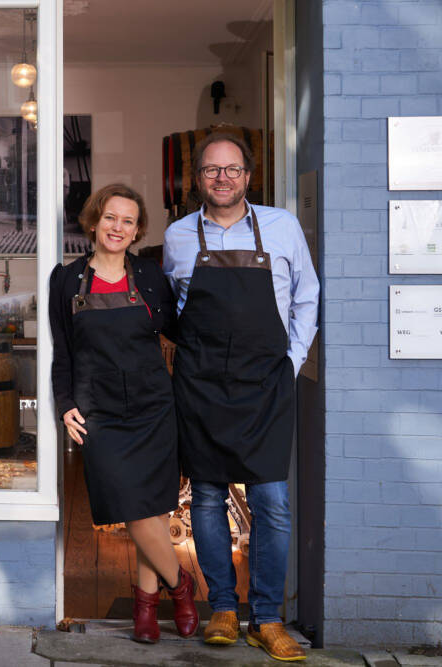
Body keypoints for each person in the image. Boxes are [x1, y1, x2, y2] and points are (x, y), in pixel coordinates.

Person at [163, 134, 318, 662]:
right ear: (198, 179)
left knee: (272, 503)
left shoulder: (282, 226)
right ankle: (224, 609)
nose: (222, 178)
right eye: (211, 170)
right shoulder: (178, 236)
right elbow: (172, 307)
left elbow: (307, 296)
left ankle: (268, 618)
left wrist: (292, 361)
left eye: (232, 170)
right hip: (202, 384)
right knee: (206, 497)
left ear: (248, 176)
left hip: (265, 384)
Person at [50, 183, 198, 644]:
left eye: (128, 221)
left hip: (154, 407)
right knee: (131, 507)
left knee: (151, 509)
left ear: (137, 231)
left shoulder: (152, 277)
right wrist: (65, 404)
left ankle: (145, 609)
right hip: (102, 412)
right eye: (110, 218)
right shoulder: (66, 279)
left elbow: (183, 333)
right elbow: (63, 352)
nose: (118, 228)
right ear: (94, 221)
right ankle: (183, 587)